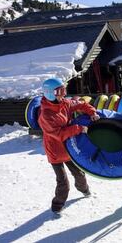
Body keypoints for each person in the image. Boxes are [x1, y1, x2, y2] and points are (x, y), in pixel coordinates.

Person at [38, 78, 100, 216]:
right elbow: (59, 134)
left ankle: (84, 190)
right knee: (63, 183)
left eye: (64, 90)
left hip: (68, 148)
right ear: (49, 93)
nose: (63, 94)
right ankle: (57, 206)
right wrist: (78, 128)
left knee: (79, 173)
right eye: (60, 91)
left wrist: (92, 112)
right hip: (55, 152)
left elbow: (80, 104)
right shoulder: (46, 115)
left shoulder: (64, 103)